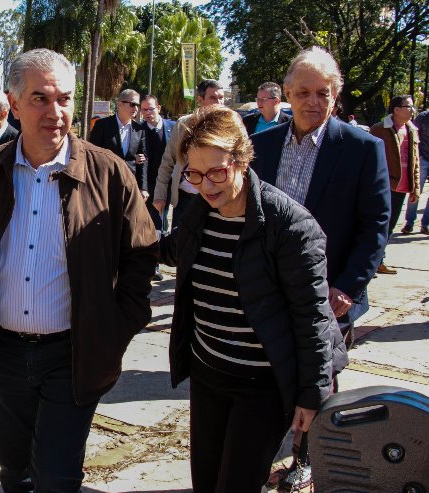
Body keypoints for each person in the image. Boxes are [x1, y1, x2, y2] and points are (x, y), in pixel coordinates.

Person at [0, 48, 158, 492]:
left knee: (58, 478)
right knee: (14, 472)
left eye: (63, 98)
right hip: (3, 353)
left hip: (72, 356)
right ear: (14, 103)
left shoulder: (110, 173)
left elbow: (141, 255)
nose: (55, 112)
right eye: (40, 98)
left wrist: (113, 328)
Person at [159, 105, 346, 493]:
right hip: (209, 373)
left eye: (217, 172)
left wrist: (312, 396)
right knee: (206, 483)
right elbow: (173, 249)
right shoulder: (200, 211)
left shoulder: (290, 226)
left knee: (238, 485)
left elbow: (312, 317)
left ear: (242, 160)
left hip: (262, 385)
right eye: (194, 175)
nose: (207, 186)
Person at [250, 46, 390, 488]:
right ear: (287, 92)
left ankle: (305, 460)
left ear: (336, 95)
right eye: (304, 91)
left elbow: (375, 225)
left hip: (329, 293)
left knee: (320, 380)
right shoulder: (262, 144)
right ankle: (262, 448)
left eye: (323, 93)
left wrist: (349, 287)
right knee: (267, 375)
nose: (313, 101)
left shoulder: (362, 148)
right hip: (268, 290)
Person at [152, 79, 225, 229]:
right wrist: (160, 196)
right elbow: (167, 162)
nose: (219, 102)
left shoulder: (229, 126)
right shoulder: (183, 125)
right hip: (185, 200)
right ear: (200, 100)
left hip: (218, 199)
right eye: (213, 98)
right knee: (180, 247)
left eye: (221, 98)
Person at [370, 95, 420, 273]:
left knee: (390, 227)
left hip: (402, 187)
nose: (412, 110)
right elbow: (369, 159)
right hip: (384, 186)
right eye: (408, 106)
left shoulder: (412, 130)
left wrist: (416, 188)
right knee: (377, 225)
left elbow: (415, 161)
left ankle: (379, 261)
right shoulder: (379, 129)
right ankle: (371, 262)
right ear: (396, 109)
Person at [89, 88, 149, 198]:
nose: (136, 108)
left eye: (137, 105)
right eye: (132, 104)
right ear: (120, 104)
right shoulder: (102, 125)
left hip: (129, 186)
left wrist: (143, 188)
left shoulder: (139, 130)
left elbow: (143, 160)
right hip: (105, 185)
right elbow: (92, 155)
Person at [141, 95, 175, 232]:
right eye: (143, 110)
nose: (147, 113)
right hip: (147, 183)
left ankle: (164, 242)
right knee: (150, 218)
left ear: (159, 108)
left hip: (169, 182)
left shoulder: (174, 128)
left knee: (164, 216)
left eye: (150, 109)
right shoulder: (137, 129)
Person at [403, 107, 429, 234]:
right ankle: (409, 222)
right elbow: (412, 134)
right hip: (423, 158)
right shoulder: (423, 117)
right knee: (415, 191)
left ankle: (426, 224)